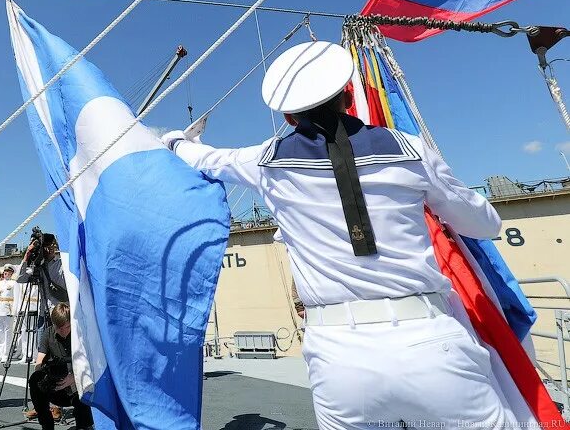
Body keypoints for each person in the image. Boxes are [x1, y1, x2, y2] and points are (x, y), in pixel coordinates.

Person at [162, 40, 514, 430]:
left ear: (289, 117)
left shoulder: (265, 163)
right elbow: (484, 225)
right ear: (349, 95)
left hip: (338, 355)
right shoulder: (410, 150)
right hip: (430, 340)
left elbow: (204, 159)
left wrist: (176, 140)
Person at [28, 303, 94, 430]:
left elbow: (91, 365)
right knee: (35, 379)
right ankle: (46, 425)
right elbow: (40, 359)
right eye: (59, 328)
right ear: (53, 324)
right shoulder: (48, 333)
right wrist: (43, 376)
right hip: (57, 385)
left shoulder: (80, 334)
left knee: (84, 387)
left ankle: (85, 426)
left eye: (67, 327)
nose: (63, 331)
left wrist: (73, 378)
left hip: (78, 386)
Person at [17, 233, 68, 311]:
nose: (50, 249)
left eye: (52, 246)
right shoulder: (38, 268)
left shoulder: (63, 264)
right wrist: (27, 254)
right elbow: (20, 278)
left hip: (62, 314)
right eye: (46, 246)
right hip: (44, 312)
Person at [0, 264, 19, 363]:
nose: (6, 273)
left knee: (7, 333)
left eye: (8, 271)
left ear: (12, 273)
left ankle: (6, 354)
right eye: (5, 271)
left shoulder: (14, 283)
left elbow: (16, 298)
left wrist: (14, 311)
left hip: (8, 309)